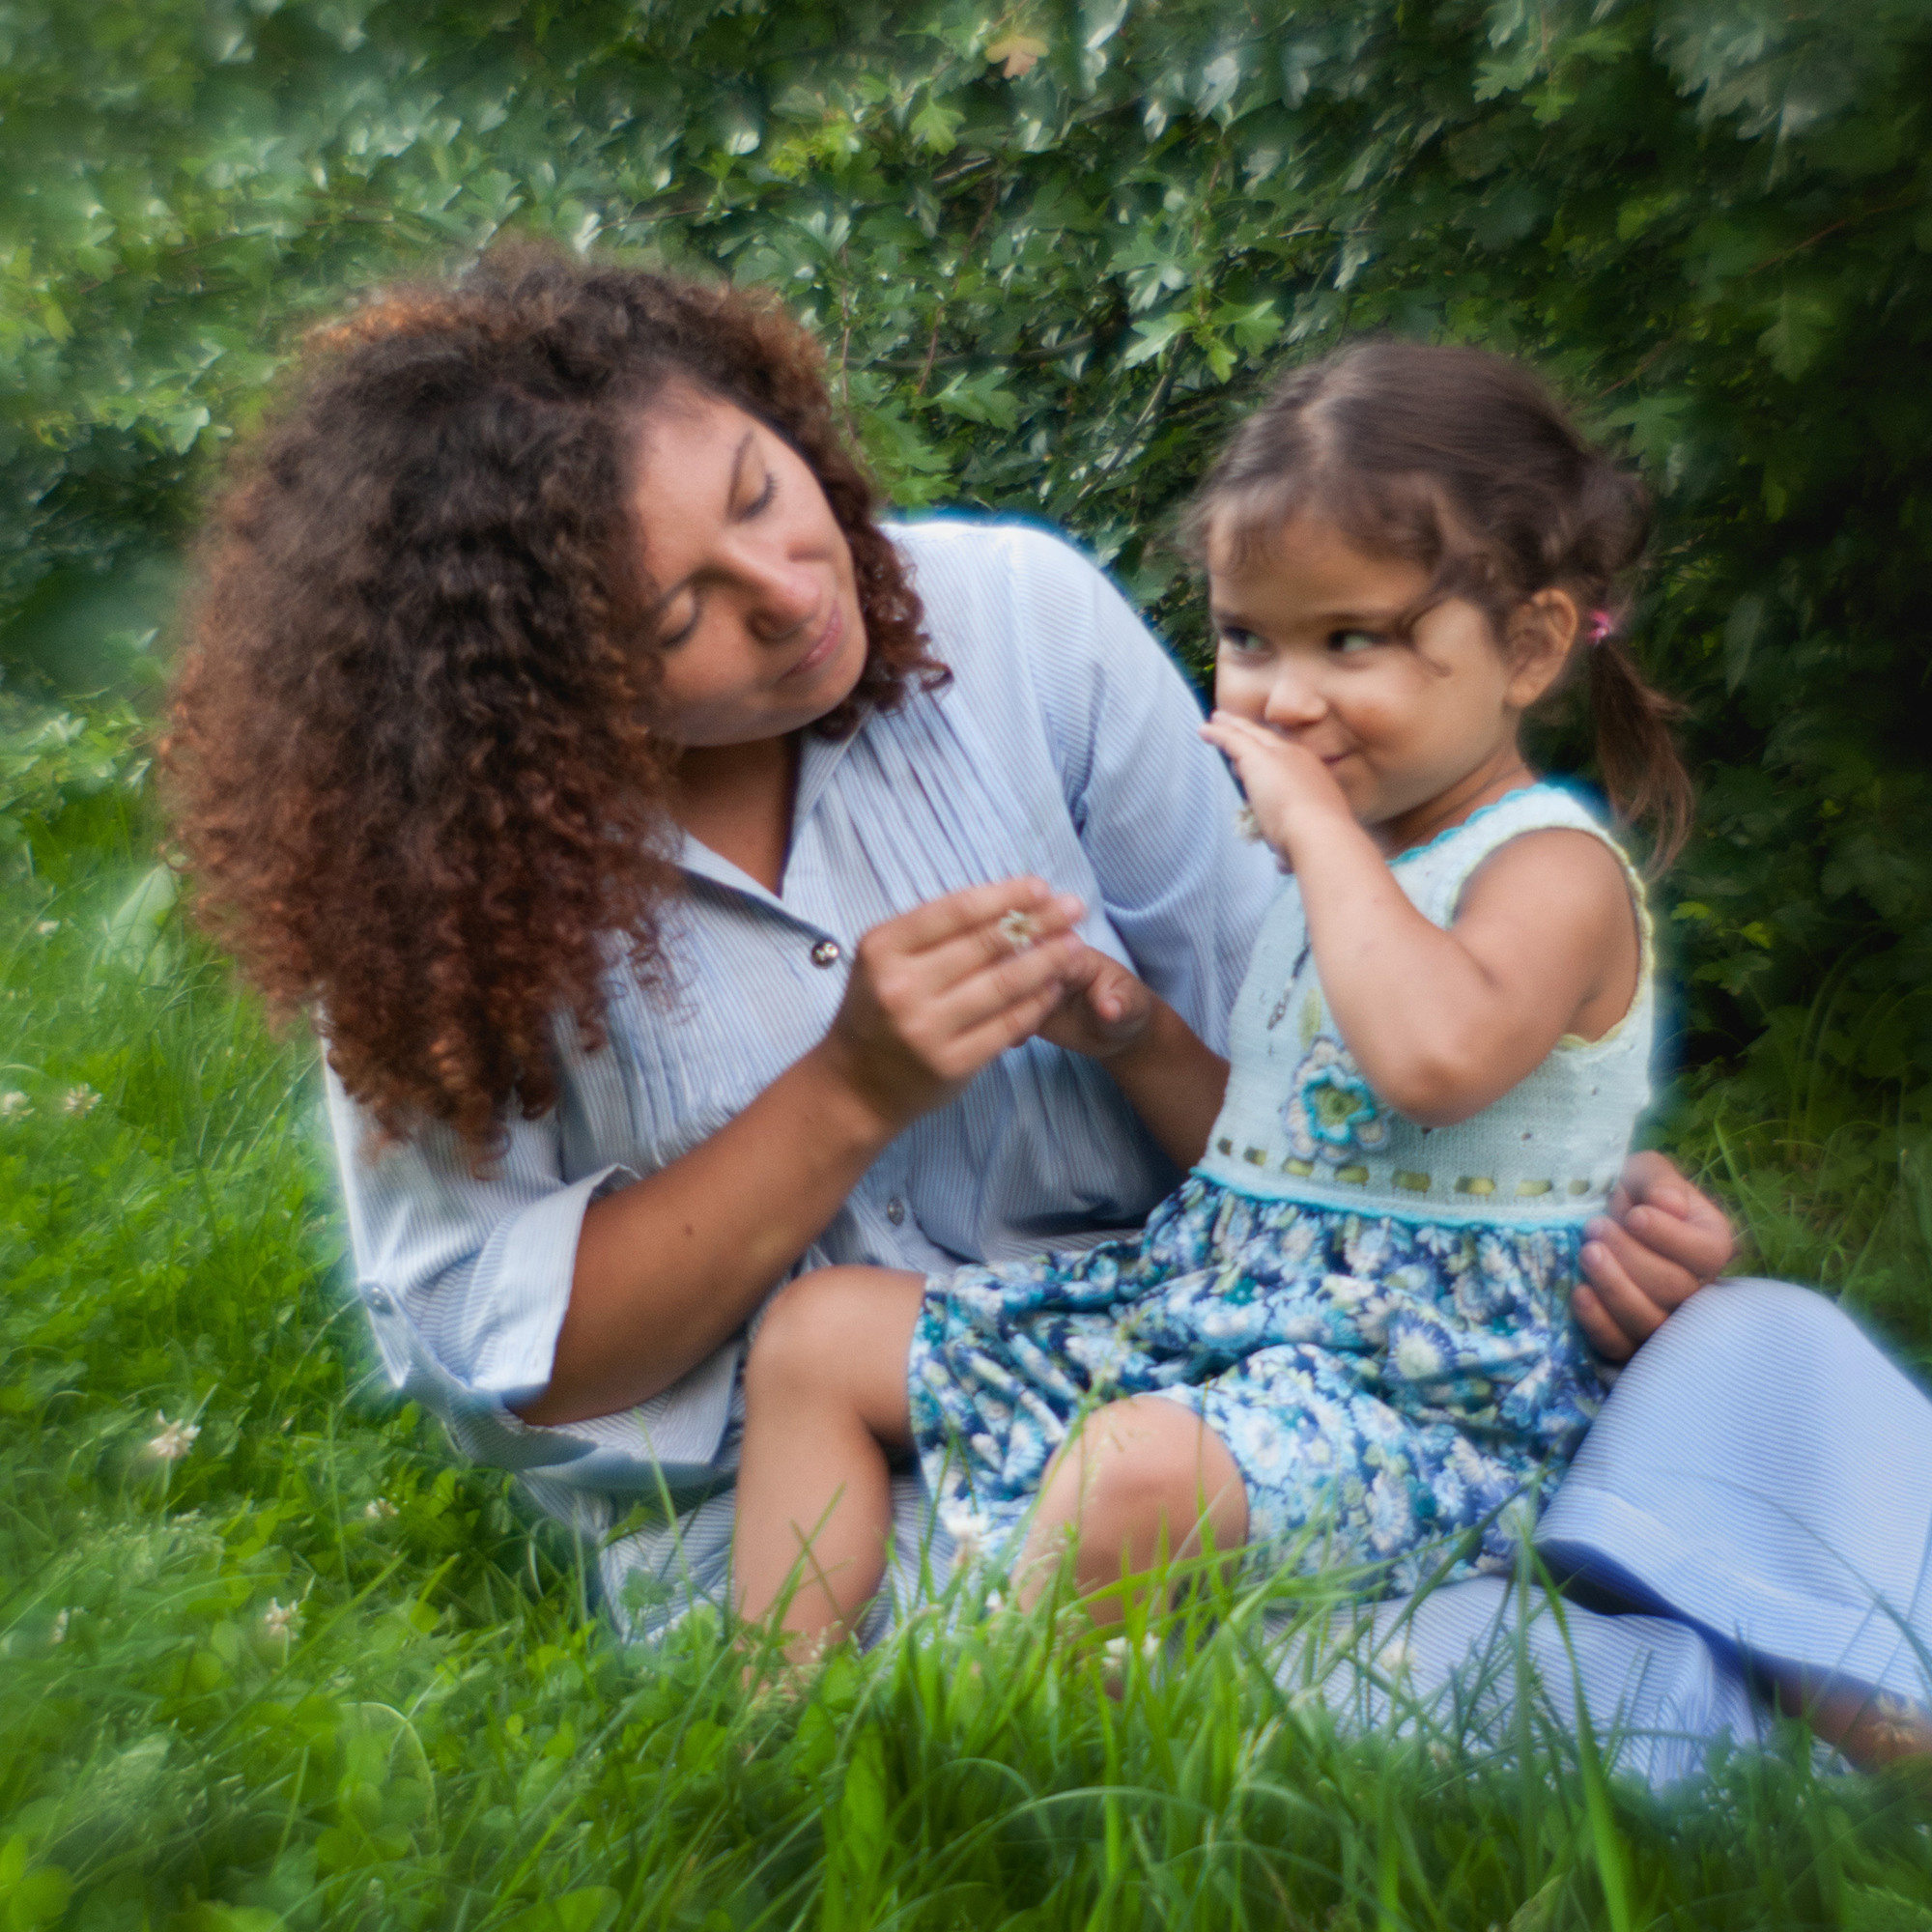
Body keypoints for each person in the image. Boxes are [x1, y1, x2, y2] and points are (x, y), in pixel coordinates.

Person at [163, 247, 1925, 1778]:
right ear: (530, 684)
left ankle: (1721, 1599)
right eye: (680, 610)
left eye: (762, 495)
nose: (790, 596)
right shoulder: (440, 886)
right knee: (1317, 1682)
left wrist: (1577, 1213)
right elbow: (503, 1365)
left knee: (1751, 1345)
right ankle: (1722, 1690)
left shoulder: (1014, 624)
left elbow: (1321, 1080)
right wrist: (846, 1093)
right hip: (830, 1511)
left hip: (1220, 1344)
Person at [730, 339, 1683, 1638]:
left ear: (1527, 649)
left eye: (1352, 641)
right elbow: (1279, 1156)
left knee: (1126, 1477)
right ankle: (765, 1735)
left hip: (1429, 1397)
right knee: (819, 1331)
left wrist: (1324, 843)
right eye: (1247, 638)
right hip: (1219, 1311)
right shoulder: (1344, 856)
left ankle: (974, 1777)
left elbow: (1435, 1061)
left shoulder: (1549, 869)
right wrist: (1137, 1041)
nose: (1283, 701)